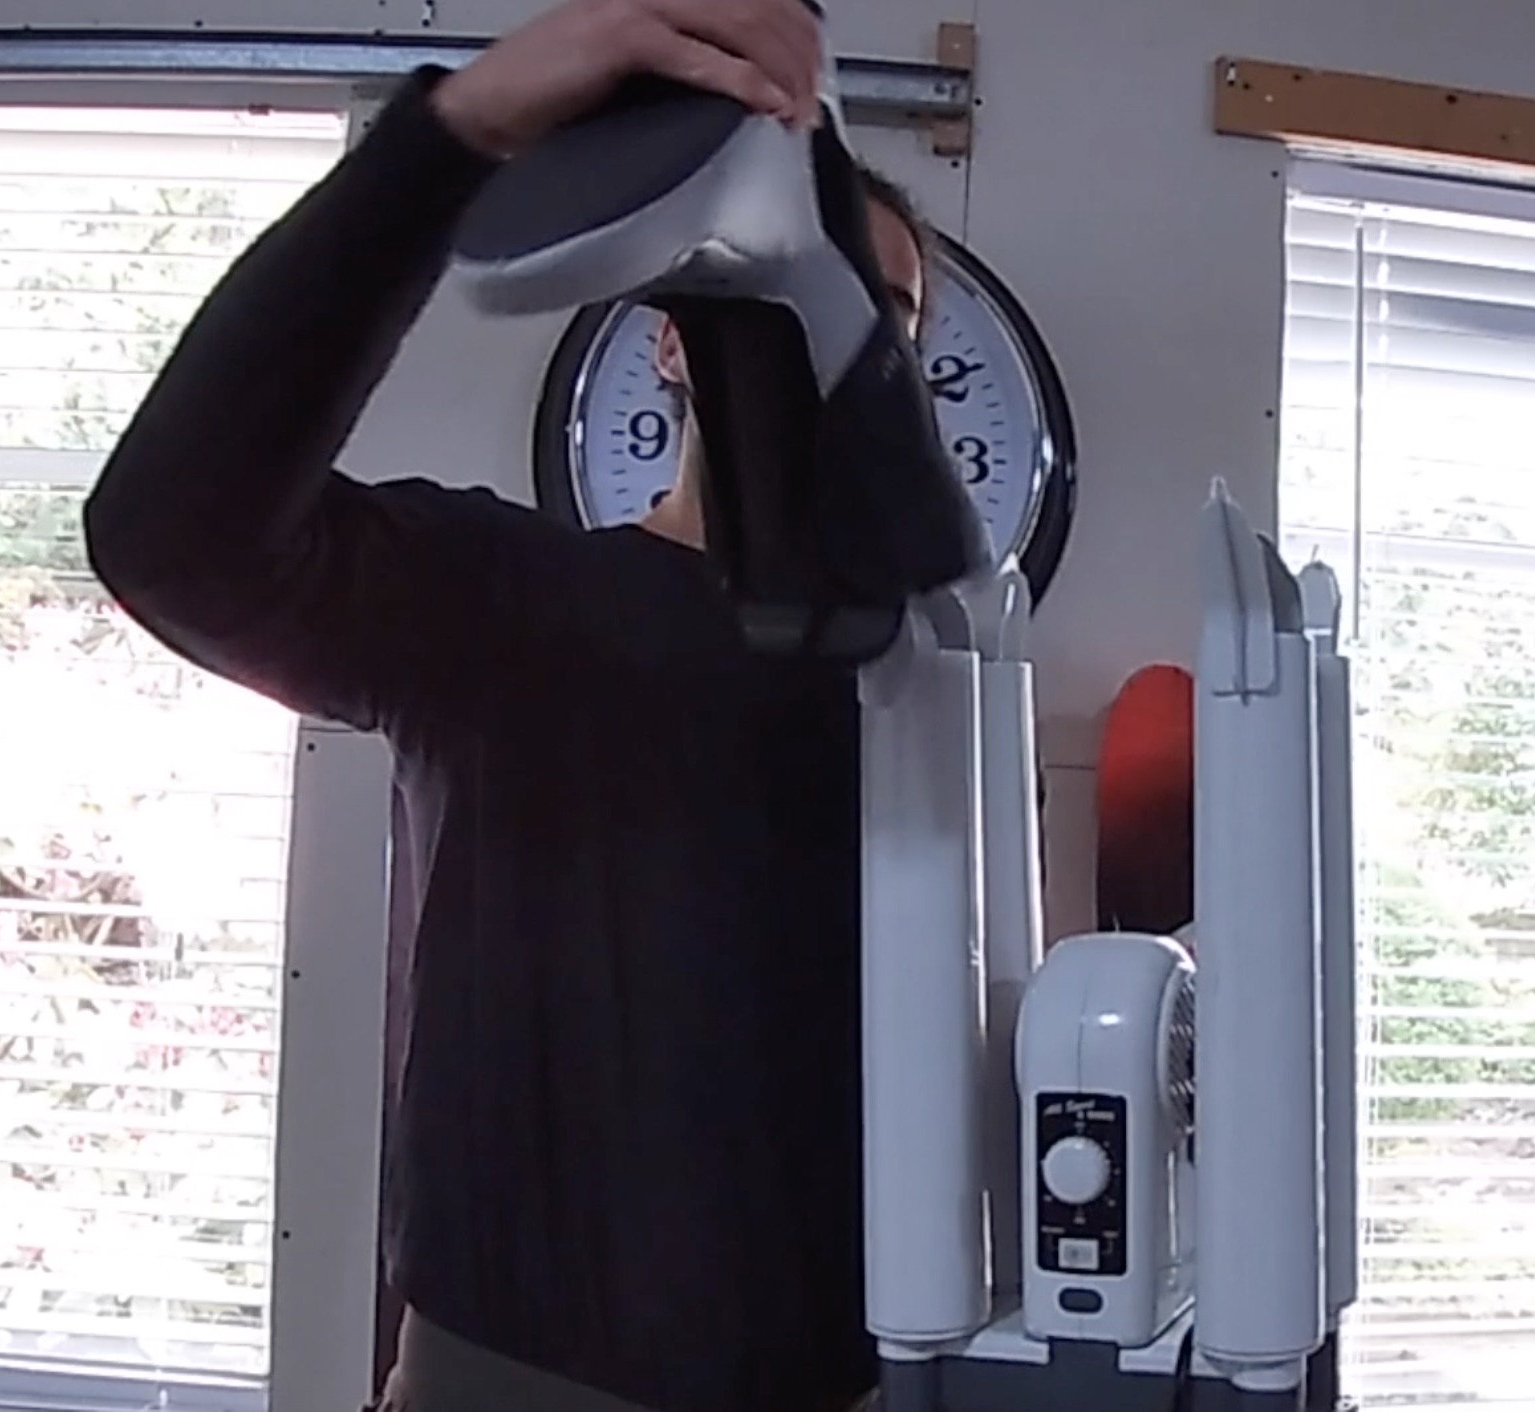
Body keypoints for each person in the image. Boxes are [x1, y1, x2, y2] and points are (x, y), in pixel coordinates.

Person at [81, 2, 935, 1409]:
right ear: (669, 339)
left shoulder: (938, 679)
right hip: (516, 1376)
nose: (831, 330)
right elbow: (173, 537)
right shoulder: (500, 598)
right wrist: (454, 136)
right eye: (791, 278)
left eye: (877, 307)